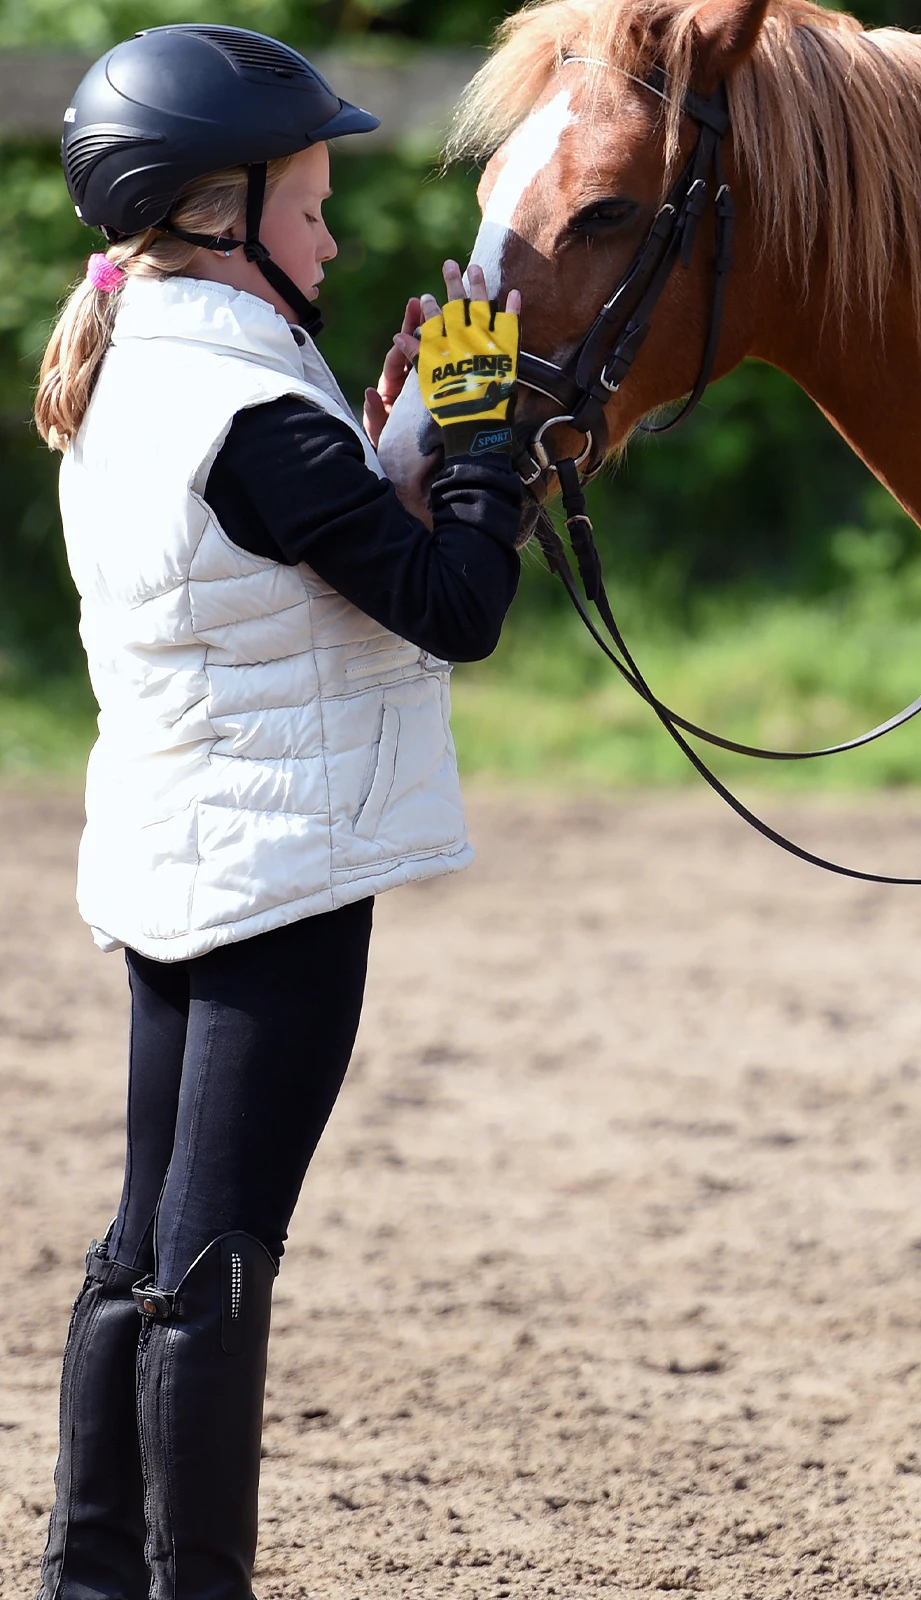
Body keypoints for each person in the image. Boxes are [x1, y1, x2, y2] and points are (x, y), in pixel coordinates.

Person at [31, 24, 525, 1600]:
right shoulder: (254, 412)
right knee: (219, 1246)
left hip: (178, 841)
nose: (331, 232)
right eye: (309, 207)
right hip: (282, 867)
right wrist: (491, 452)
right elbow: (451, 605)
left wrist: (396, 428)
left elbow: (295, 553)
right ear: (220, 215)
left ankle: (93, 1574)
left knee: (143, 1238)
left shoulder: (151, 363)